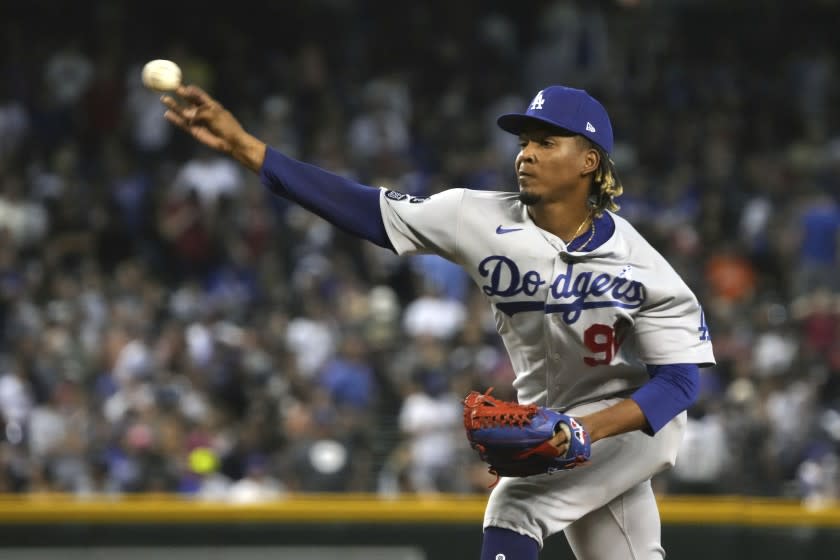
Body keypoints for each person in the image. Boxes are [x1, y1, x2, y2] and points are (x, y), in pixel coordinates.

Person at [161, 83, 715, 559]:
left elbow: (681, 382)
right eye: (524, 141)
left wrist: (582, 430)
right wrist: (244, 145)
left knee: (516, 504)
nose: (525, 154)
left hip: (633, 424)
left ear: (589, 161)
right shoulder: (474, 216)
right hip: (559, 425)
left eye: (546, 142)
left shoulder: (643, 265)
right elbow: (365, 210)